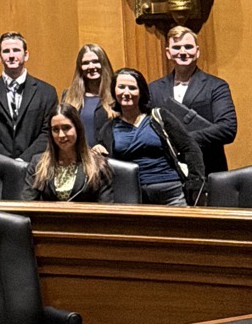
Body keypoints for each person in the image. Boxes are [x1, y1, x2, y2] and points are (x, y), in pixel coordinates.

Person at [97, 67, 203, 206]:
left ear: (141, 92)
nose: (126, 92)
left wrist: (195, 183)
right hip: (133, 196)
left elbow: (190, 148)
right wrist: (97, 150)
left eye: (132, 88)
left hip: (170, 192)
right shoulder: (108, 129)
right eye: (121, 87)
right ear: (114, 91)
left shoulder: (159, 117)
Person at [146, 27, 236, 176]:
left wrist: (184, 140)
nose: (183, 52)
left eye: (188, 47)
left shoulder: (216, 86)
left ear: (197, 51)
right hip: (167, 173)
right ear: (168, 53)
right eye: (176, 47)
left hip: (208, 168)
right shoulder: (153, 89)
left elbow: (227, 128)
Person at [0, 31, 59, 168]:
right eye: (6, 51)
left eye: (16, 50)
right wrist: (9, 163)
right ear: (0, 57)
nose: (12, 56)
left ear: (26, 55)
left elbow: (47, 132)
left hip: (36, 167)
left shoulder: (46, 92)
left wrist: (23, 161)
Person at [28, 101, 111, 202]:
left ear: (77, 128)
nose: (61, 135)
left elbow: (105, 209)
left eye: (66, 128)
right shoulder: (38, 163)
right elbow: (28, 204)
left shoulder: (98, 164)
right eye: (55, 129)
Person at [62, 43, 118, 147]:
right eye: (86, 63)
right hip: (77, 157)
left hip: (107, 157)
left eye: (96, 62)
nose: (91, 67)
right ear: (80, 67)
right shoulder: (69, 95)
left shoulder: (116, 94)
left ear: (104, 64)